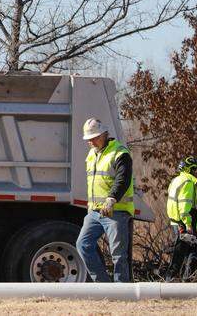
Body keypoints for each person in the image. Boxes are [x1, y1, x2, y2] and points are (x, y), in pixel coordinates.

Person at [76, 118, 134, 282]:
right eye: (88, 139)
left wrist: (111, 199)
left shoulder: (120, 153)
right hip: (95, 212)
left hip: (117, 211)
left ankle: (122, 289)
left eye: (94, 138)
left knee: (118, 255)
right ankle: (104, 286)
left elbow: (123, 179)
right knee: (83, 245)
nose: (91, 142)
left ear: (104, 134)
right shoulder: (92, 154)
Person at [167, 156, 197, 280]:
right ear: (190, 169)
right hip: (184, 221)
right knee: (194, 251)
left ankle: (175, 279)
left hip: (176, 220)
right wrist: (187, 224)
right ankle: (185, 280)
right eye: (194, 169)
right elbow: (184, 204)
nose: (196, 172)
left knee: (182, 251)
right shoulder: (188, 182)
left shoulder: (176, 180)